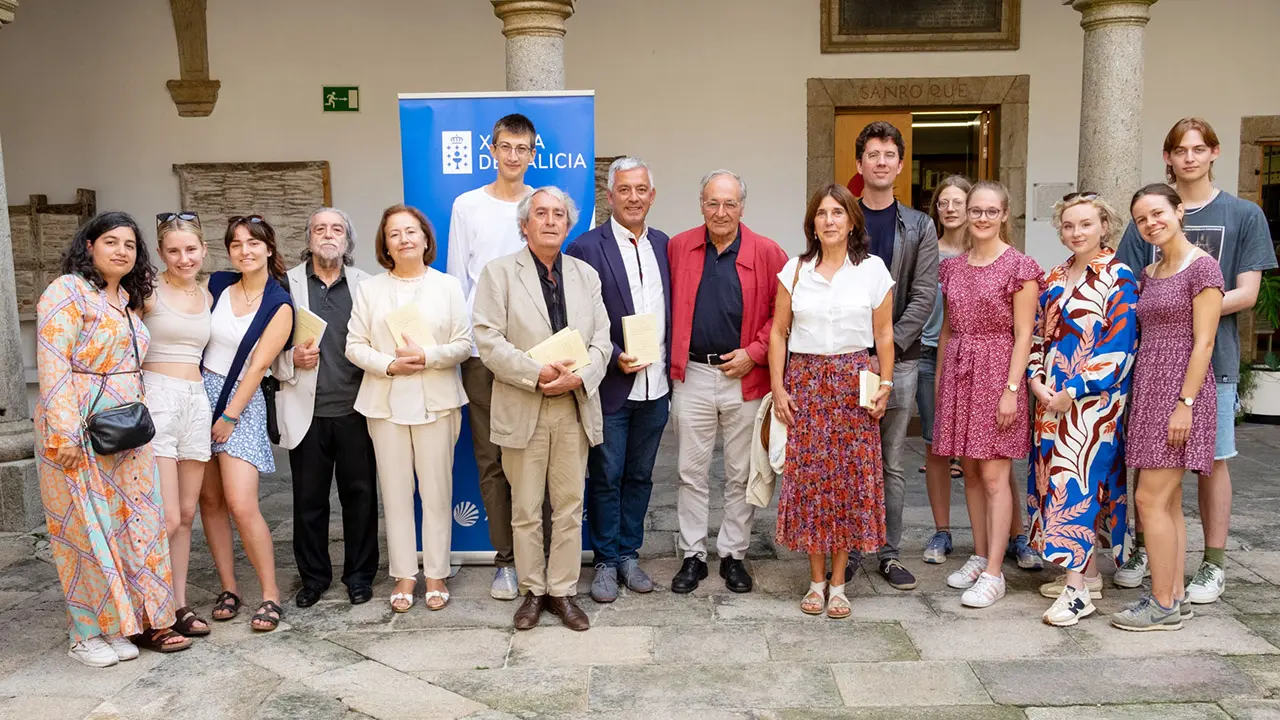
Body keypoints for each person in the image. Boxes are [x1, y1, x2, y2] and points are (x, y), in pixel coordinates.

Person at [1116, 118, 1277, 603]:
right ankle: (1156, 558)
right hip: (1152, 370)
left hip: (1207, 364)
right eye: (1179, 150)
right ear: (1168, 157)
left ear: (1214, 152)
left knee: (1210, 464)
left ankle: (1212, 563)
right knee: (1157, 481)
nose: (1189, 157)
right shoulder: (1148, 229)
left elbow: (1246, 294)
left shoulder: (1242, 215)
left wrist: (1192, 304)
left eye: (1197, 148)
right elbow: (1129, 290)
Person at [36, 211, 190, 667]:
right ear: (89, 246)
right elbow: (53, 362)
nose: (121, 250)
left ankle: (128, 622)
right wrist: (63, 431)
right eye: (111, 241)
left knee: (135, 527)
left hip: (128, 430)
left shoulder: (125, 299)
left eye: (129, 244)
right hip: (80, 425)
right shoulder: (66, 292)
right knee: (87, 528)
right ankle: (87, 632)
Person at [473, 187, 612, 631]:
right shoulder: (498, 274)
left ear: (569, 225)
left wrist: (581, 377)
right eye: (541, 214)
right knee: (526, 507)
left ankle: (563, 592)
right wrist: (536, 373)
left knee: (570, 506)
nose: (550, 221)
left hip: (573, 403)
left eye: (559, 215)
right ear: (524, 224)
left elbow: (603, 340)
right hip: (523, 402)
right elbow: (489, 341)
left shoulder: (586, 275)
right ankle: (533, 591)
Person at [769, 184, 894, 618]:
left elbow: (883, 335)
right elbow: (778, 333)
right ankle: (815, 581)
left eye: (838, 212)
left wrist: (886, 384)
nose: (829, 220)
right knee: (811, 483)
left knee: (846, 484)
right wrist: (779, 387)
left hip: (853, 380)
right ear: (812, 223)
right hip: (805, 381)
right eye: (822, 213)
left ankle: (839, 585)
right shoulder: (795, 270)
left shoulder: (872, 270)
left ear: (852, 220)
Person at [668, 169, 789, 594]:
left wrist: (754, 353)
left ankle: (734, 554)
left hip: (745, 378)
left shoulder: (768, 251)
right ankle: (692, 555)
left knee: (741, 473)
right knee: (690, 472)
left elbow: (784, 314)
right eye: (712, 203)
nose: (721, 211)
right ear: (701, 204)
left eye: (729, 203)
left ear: (742, 206)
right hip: (694, 375)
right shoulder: (679, 247)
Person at [346, 204, 472, 612]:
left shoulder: (448, 286)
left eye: (411, 231)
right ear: (385, 243)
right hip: (386, 403)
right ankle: (404, 573)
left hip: (437, 399)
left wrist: (428, 356)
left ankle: (436, 571)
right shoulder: (370, 289)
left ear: (425, 237)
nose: (403, 239)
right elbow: (354, 345)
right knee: (396, 493)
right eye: (394, 233)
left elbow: (464, 344)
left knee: (437, 492)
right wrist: (389, 365)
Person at [1112, 184, 1224, 632]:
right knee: (1169, 501)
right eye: (1142, 219)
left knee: (1148, 500)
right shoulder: (1150, 271)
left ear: (1179, 212)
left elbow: (1205, 342)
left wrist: (1185, 404)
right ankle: (1175, 594)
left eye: (1158, 213)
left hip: (1181, 391)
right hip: (1149, 389)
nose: (1151, 223)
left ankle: (1159, 604)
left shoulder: (1203, 268)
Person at [1026, 193, 1139, 627]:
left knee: (1078, 485)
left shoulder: (1118, 276)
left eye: (1086, 224)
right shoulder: (1055, 276)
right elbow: (1040, 335)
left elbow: (1119, 346)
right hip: (1050, 402)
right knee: (1050, 482)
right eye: (1069, 225)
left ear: (1104, 227)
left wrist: (1073, 389)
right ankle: (1087, 575)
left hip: (1093, 405)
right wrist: (1037, 380)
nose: (1077, 232)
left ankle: (1077, 594)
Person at [565, 157, 671, 603]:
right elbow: (576, 321)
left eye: (641, 189)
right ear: (610, 197)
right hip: (612, 385)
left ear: (652, 194)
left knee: (641, 476)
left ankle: (630, 553)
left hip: (657, 386)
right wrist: (610, 361)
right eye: (624, 189)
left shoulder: (666, 245)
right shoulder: (587, 247)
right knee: (606, 476)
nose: (633, 197)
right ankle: (605, 560)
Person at [934, 180, 1042, 609]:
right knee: (973, 474)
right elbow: (946, 330)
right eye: (975, 210)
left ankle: (996, 572)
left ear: (1004, 214)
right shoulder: (953, 267)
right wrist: (943, 384)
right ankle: (980, 555)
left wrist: (1012, 390)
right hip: (960, 371)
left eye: (989, 211)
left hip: (999, 371)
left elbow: (1024, 334)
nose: (981, 218)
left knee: (996, 476)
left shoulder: (1021, 267)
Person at [447, 113, 540, 601]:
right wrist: (468, 347)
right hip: (483, 353)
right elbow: (458, 280)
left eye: (522, 148)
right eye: (505, 146)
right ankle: (505, 561)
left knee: (536, 456)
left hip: (534, 354)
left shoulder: (541, 206)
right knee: (492, 459)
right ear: (492, 148)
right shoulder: (467, 206)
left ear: (532, 153)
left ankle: (537, 557)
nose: (513, 156)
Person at [846, 122, 939, 591]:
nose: (881, 162)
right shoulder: (841, 218)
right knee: (847, 459)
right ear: (859, 163)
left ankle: (888, 552)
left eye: (889, 155)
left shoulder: (920, 226)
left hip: (898, 362)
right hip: (843, 362)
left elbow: (923, 297)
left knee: (890, 463)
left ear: (900, 166)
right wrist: (852, 350)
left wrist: (882, 351)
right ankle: (849, 549)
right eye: (873, 154)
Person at [274, 207, 377, 608]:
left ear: (348, 241)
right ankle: (314, 579)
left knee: (362, 498)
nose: (328, 235)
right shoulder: (286, 285)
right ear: (308, 237)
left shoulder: (367, 285)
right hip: (307, 411)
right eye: (320, 228)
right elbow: (266, 348)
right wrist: (289, 361)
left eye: (337, 229)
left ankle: (360, 577)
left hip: (357, 409)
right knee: (309, 502)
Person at [199, 215, 294, 632]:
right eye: (236, 244)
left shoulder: (280, 303)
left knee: (241, 502)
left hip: (240, 403)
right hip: (197, 394)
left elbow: (258, 367)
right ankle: (229, 587)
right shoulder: (217, 285)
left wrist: (228, 416)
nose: (245, 250)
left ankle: (270, 593)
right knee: (211, 501)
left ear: (269, 249)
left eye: (253, 243)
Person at [141, 212, 214, 638]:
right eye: (173, 250)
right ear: (160, 253)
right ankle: (151, 609)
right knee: (165, 517)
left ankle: (178, 604)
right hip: (157, 397)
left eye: (190, 249)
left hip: (196, 401)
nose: (183, 258)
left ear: (203, 250)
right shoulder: (148, 291)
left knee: (187, 514)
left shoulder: (207, 296)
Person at [920, 175, 971, 564]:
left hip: (975, 357)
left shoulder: (990, 253)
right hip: (929, 354)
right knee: (936, 448)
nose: (950, 208)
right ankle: (941, 532)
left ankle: (1010, 533)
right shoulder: (928, 253)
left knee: (984, 455)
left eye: (958, 201)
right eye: (943, 202)